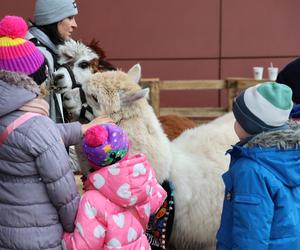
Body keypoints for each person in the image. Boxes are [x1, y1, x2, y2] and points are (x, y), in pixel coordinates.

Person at [0, 15, 111, 249]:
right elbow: (64, 192)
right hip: (40, 236)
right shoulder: (36, 126)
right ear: (30, 80)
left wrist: (82, 129)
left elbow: (30, 138)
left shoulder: (12, 115)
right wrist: (75, 228)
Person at [216, 82, 300, 249]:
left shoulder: (251, 170)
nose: (234, 123)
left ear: (251, 125)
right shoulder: (290, 156)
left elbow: (249, 234)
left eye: (237, 119)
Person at [63, 123, 167, 250]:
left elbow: (83, 246)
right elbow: (156, 202)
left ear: (92, 161)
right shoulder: (144, 177)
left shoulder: (91, 200)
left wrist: (63, 237)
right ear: (126, 147)